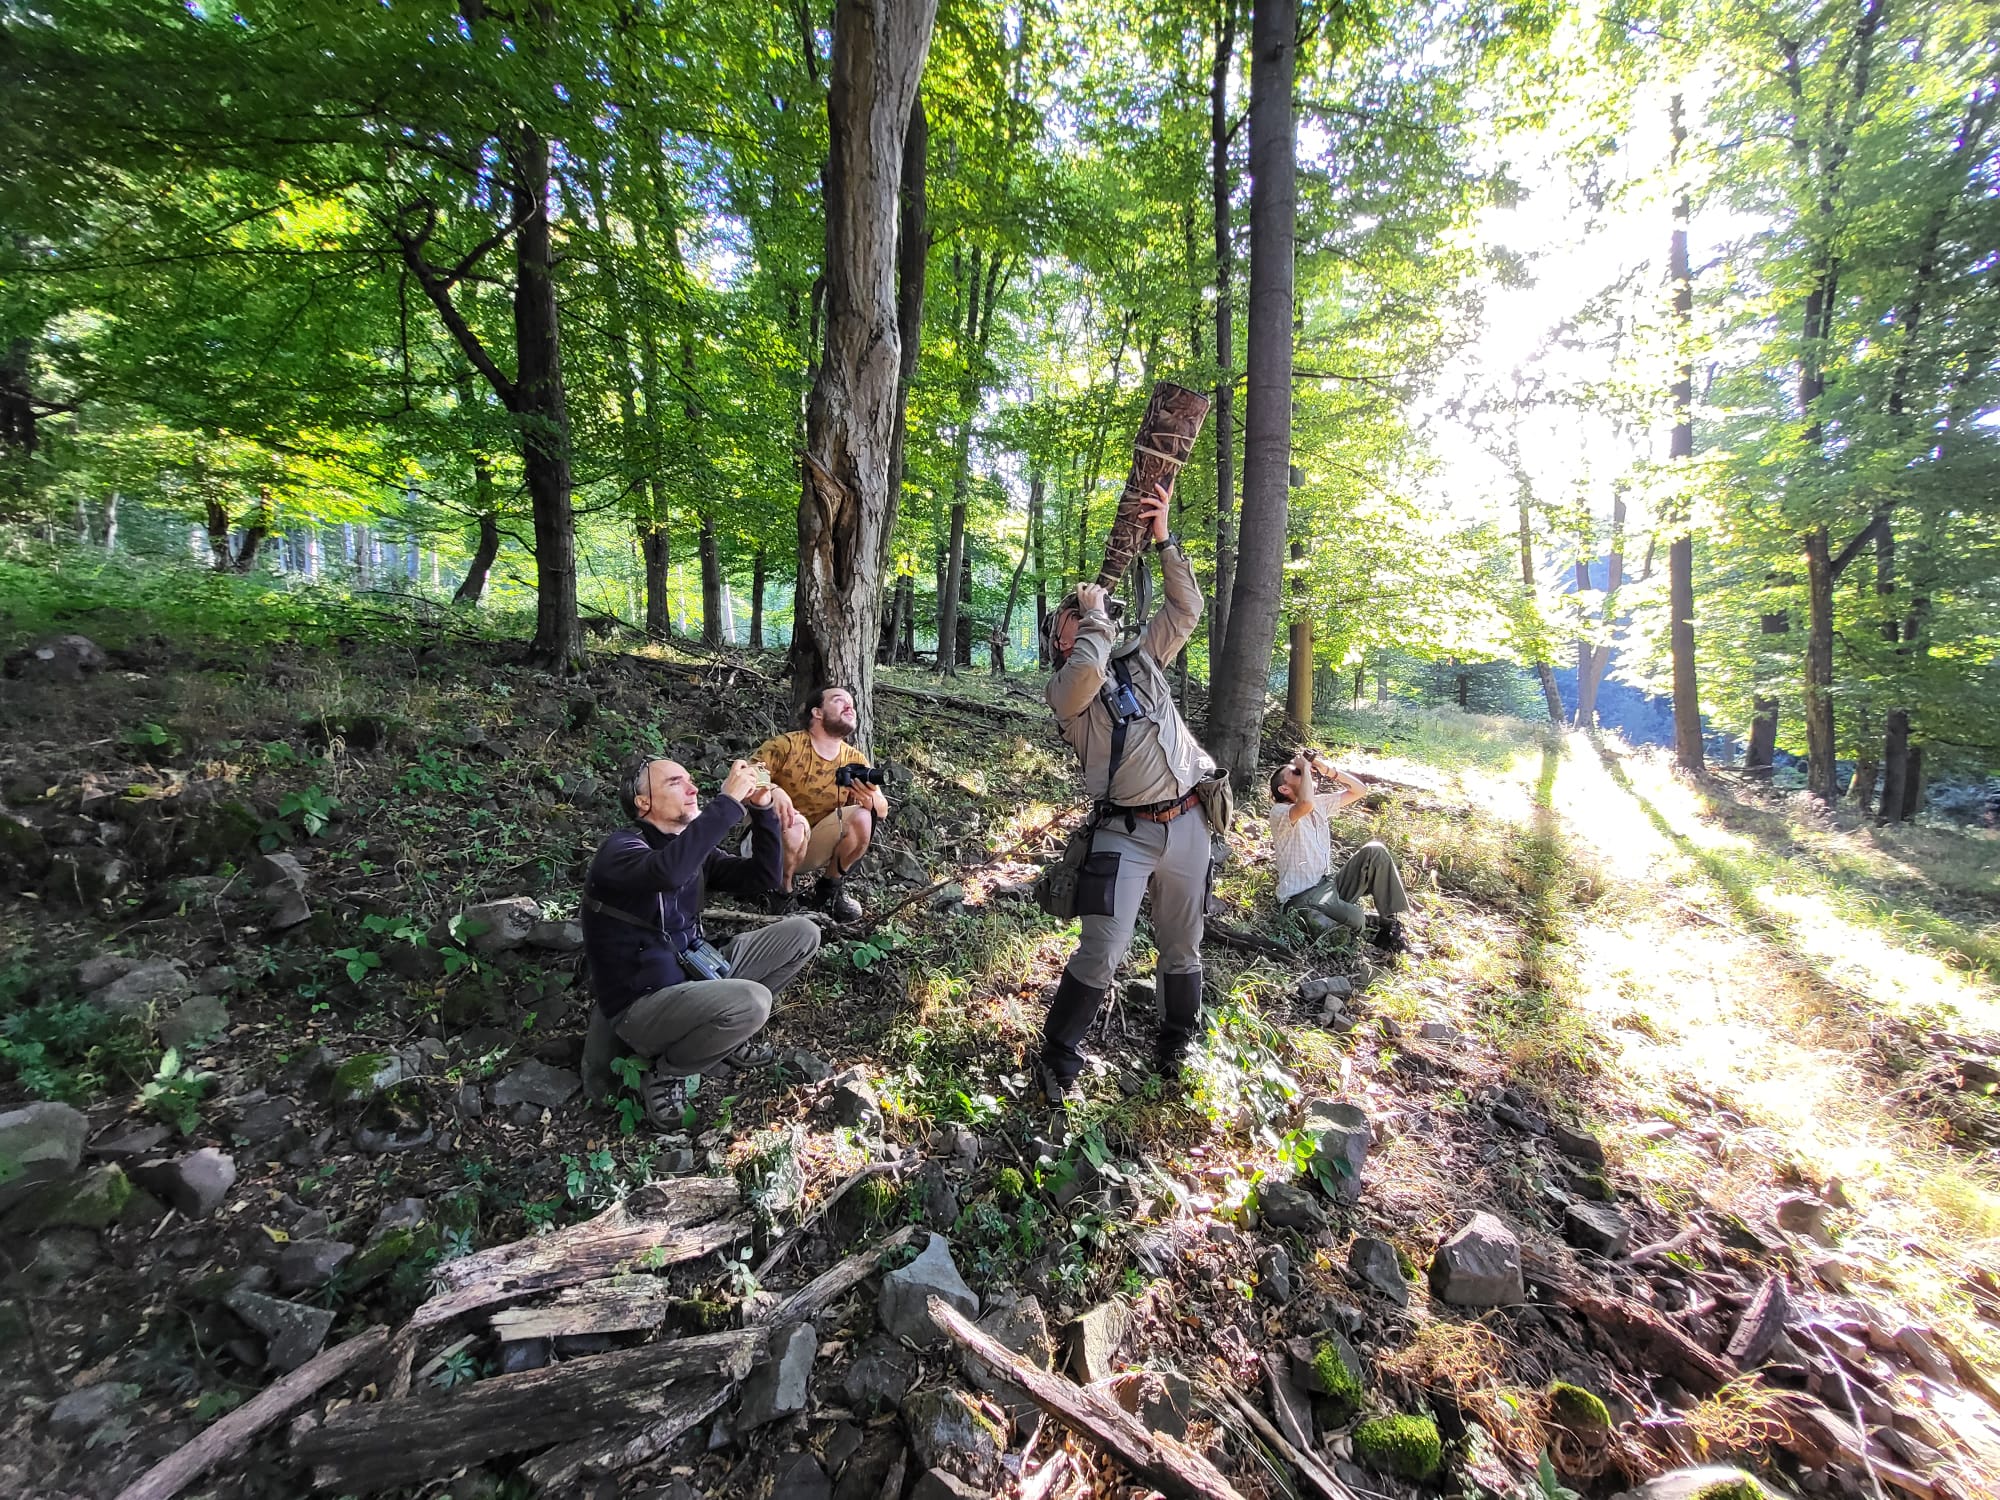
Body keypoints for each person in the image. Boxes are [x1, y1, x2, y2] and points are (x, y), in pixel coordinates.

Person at [1034, 483, 1219, 1104]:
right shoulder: (1066, 692)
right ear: (1062, 638)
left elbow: (1186, 610)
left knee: (1182, 942)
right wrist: (1093, 617)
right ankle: (1059, 1055)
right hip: (1125, 833)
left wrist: (1164, 539)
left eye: (1085, 609)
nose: (1086, 611)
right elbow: (1088, 669)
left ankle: (1177, 1041)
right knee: (1104, 947)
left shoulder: (1141, 659)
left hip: (1189, 820)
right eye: (1072, 615)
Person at [579, 755, 822, 1128]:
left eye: (690, 779)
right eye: (675, 782)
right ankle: (668, 1073)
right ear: (643, 802)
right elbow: (667, 872)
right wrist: (727, 803)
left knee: (803, 933)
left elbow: (763, 877)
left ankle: (727, 1034)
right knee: (753, 1001)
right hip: (642, 1004)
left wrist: (761, 811)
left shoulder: (691, 848)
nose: (693, 789)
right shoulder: (620, 849)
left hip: (696, 970)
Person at [753, 686, 888, 924]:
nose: (849, 707)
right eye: (839, 700)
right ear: (817, 712)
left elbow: (883, 809)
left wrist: (869, 800)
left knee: (863, 817)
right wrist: (773, 790)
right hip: (767, 845)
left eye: (852, 703)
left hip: (812, 846)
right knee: (796, 825)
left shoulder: (854, 759)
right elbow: (750, 773)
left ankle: (828, 890)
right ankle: (781, 893)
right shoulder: (786, 745)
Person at [1268, 748, 1410, 950]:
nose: (1305, 772)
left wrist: (1325, 768)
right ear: (1284, 789)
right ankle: (1365, 926)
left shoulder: (1318, 804)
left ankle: (1388, 924)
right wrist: (1305, 768)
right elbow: (1305, 803)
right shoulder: (1280, 812)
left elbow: (1359, 790)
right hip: (1301, 897)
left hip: (1328, 886)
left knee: (1375, 852)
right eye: (1296, 772)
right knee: (1354, 918)